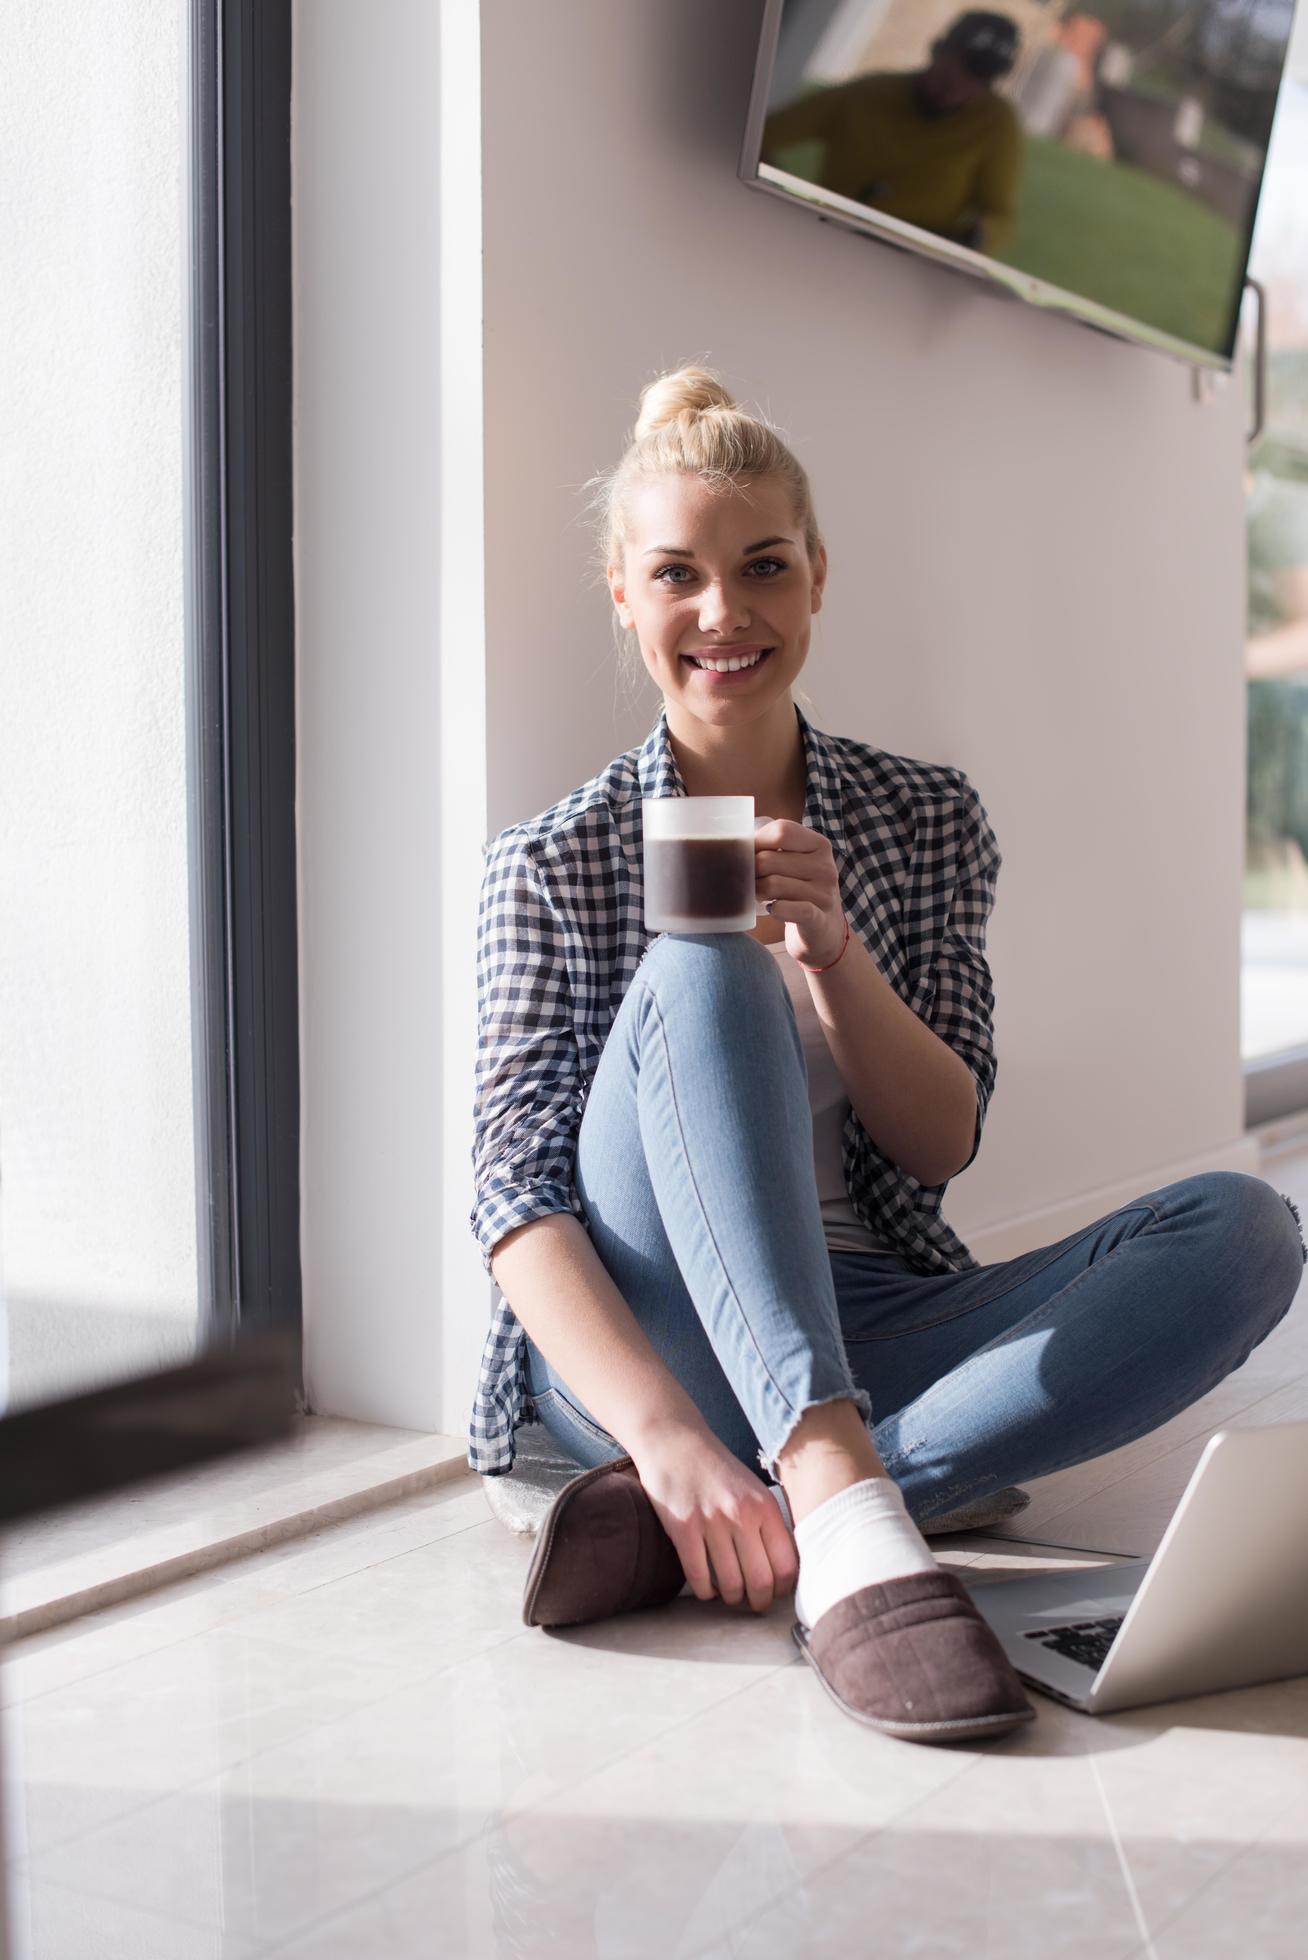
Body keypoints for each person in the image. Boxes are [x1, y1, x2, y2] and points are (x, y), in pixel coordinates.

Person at [468, 365, 1305, 1743]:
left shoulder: (924, 818)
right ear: (623, 594)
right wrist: (666, 1431)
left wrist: (836, 959)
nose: (723, 613)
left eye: (764, 568)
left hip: (879, 1313)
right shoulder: (552, 861)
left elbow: (939, 1142)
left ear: (816, 581)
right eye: (676, 574)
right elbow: (517, 1206)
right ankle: (832, 1507)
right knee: (700, 959)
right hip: (654, 1330)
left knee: (1247, 1231)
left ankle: (790, 1503)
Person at [760, 11, 1025, 256]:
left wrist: (980, 235)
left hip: (909, 261)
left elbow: (1000, 215)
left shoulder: (997, 123)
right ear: (937, 50)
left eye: (978, 78)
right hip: (822, 236)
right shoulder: (869, 93)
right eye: (953, 70)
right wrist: (780, 197)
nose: (957, 86)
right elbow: (760, 133)